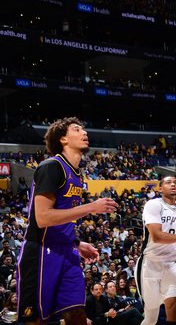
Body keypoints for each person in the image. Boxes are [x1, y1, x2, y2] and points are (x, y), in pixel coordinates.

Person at [17, 117, 118, 325]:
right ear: (63, 139)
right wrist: (91, 207)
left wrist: (76, 243)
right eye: (77, 129)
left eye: (83, 129)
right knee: (34, 320)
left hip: (67, 252)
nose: (84, 133)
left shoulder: (76, 175)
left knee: (78, 315)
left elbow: (64, 216)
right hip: (41, 252)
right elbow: (43, 217)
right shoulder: (51, 167)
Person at [137, 175, 176, 325]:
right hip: (150, 262)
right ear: (160, 188)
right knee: (151, 317)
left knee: (173, 305)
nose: (173, 185)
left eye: (175, 182)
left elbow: (172, 235)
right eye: (168, 182)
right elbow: (156, 236)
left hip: (171, 263)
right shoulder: (153, 204)